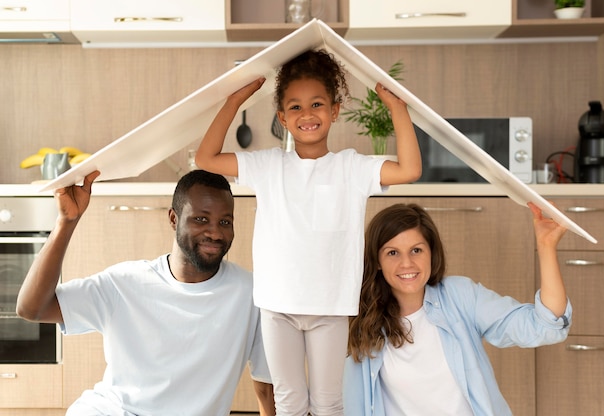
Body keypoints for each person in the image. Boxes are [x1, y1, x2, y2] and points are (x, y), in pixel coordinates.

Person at [195, 49, 422, 415]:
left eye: (317, 104)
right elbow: (206, 159)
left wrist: (398, 109)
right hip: (277, 305)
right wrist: (235, 101)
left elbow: (409, 169)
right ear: (282, 118)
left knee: (328, 401)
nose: (307, 115)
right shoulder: (268, 165)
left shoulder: (352, 167)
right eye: (295, 108)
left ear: (334, 110)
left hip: (329, 307)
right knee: (289, 399)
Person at [16, 170, 275, 416]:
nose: (215, 232)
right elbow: (32, 308)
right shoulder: (126, 283)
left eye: (225, 221)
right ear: (174, 219)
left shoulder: (251, 293)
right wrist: (66, 221)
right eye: (201, 219)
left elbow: (266, 385)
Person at [343, 202, 572, 416]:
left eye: (416, 250)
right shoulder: (361, 320)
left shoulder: (459, 296)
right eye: (392, 253)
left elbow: (543, 325)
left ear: (431, 252)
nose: (407, 264)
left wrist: (546, 247)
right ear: (377, 262)